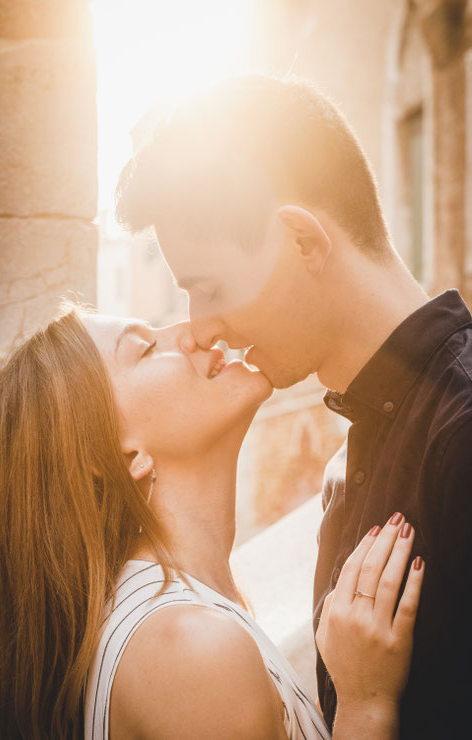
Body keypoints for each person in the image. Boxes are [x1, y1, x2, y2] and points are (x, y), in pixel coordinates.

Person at [115, 74, 472, 739]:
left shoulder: (460, 436)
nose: (202, 327)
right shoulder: (352, 459)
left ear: (303, 240)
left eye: (210, 286)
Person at [0, 307, 423, 739]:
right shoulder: (189, 650)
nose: (193, 332)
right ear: (126, 455)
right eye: (147, 348)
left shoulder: (180, 620)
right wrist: (366, 703)